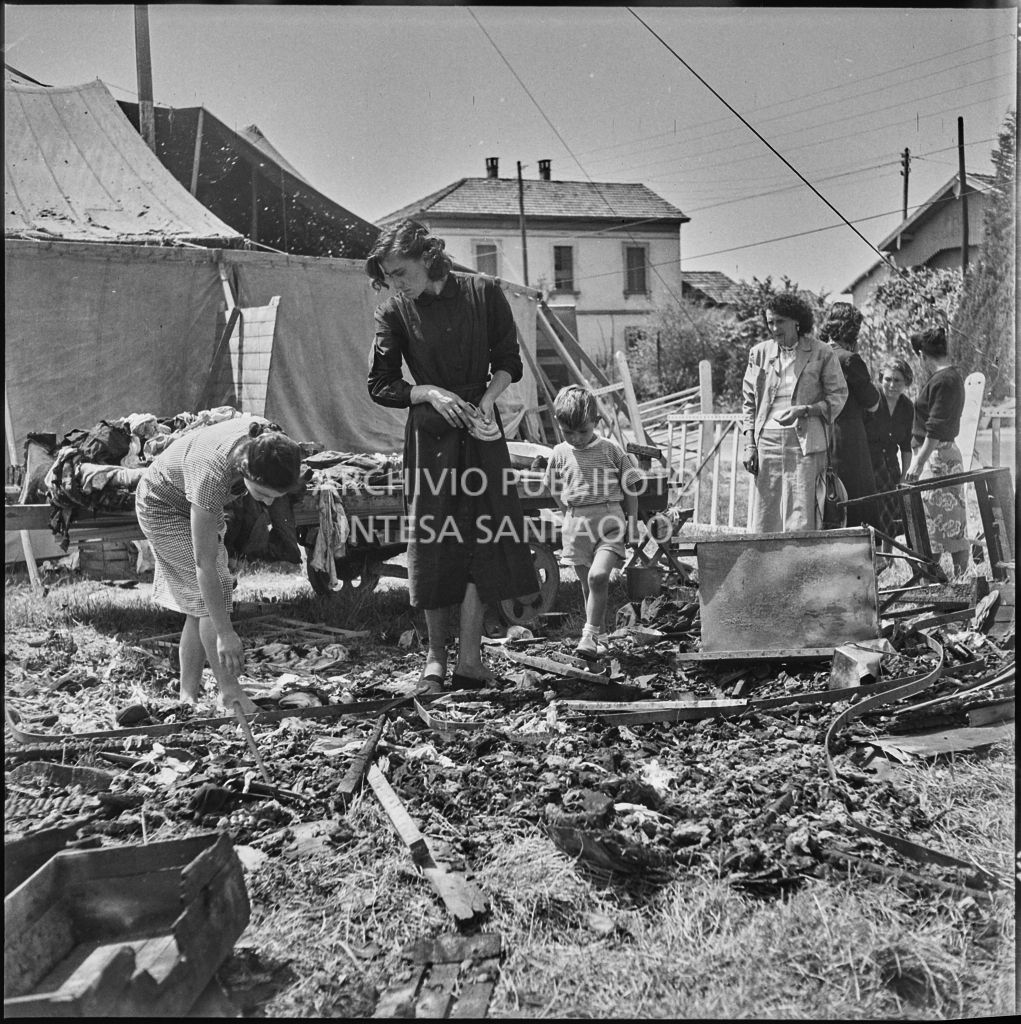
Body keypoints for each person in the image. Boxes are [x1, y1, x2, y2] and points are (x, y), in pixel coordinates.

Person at [366, 219, 539, 693]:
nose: (395, 283)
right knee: (433, 543)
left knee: (482, 539)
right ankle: (433, 662)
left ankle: (470, 659)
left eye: (400, 272)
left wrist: (488, 398)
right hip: (431, 439)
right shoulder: (395, 312)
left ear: (426, 257)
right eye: (389, 276)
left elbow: (509, 362)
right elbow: (381, 384)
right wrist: (426, 392)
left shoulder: (485, 293)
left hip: (481, 432)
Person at [135, 417, 304, 713]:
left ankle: (188, 698)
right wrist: (226, 634)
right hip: (162, 503)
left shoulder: (270, 441)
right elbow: (205, 563)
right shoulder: (212, 475)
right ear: (246, 469)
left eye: (274, 498)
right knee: (213, 592)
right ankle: (230, 694)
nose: (265, 504)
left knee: (198, 605)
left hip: (187, 498)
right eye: (263, 495)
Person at [544, 386, 641, 660]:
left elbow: (631, 487)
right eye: (568, 432)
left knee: (599, 577)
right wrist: (567, 511)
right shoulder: (560, 453)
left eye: (582, 432)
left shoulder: (611, 450)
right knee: (589, 586)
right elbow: (552, 485)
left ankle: (588, 635)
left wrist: (632, 524)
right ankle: (599, 637)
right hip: (577, 526)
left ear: (596, 424)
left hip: (609, 521)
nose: (575, 438)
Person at [741, 292, 848, 532]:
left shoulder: (822, 352)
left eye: (780, 321)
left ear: (797, 321)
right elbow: (749, 401)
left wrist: (806, 410)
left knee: (802, 511)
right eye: (770, 322)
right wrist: (750, 444)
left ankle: (801, 566)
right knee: (766, 511)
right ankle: (766, 565)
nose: (774, 328)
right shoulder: (759, 353)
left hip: (806, 442)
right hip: (766, 442)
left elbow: (838, 396)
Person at [904, 326, 969, 575]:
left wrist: (918, 463)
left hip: (937, 458)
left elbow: (935, 428)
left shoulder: (943, 380)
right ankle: (944, 580)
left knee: (943, 523)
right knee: (943, 524)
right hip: (940, 456)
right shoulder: (950, 377)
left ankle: (951, 580)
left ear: (922, 355)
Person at [818, 303, 882, 528]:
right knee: (856, 496)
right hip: (847, 438)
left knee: (827, 497)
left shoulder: (815, 354)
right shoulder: (849, 359)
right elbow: (873, 403)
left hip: (820, 435)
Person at [865, 357, 915, 545]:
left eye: (897, 380)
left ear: (906, 383)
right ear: (880, 379)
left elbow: (906, 446)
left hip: (891, 467)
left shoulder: (907, 407)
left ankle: (889, 557)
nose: (892, 385)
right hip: (869, 466)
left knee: (893, 513)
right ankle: (874, 556)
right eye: (888, 379)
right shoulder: (872, 401)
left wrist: (904, 476)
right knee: (873, 514)